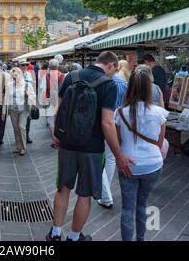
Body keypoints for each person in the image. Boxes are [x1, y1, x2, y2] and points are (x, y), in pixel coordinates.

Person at [47, 51, 133, 241]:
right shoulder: (108, 84)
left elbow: (59, 109)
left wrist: (57, 134)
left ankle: (55, 233)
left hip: (67, 144)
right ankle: (75, 237)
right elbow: (107, 123)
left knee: (63, 188)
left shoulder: (71, 77)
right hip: (92, 148)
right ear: (110, 65)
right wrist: (118, 155)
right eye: (114, 69)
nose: (113, 73)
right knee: (84, 193)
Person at [116, 68, 168, 241]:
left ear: (130, 87)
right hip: (153, 165)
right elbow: (159, 144)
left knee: (127, 209)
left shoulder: (120, 112)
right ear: (149, 88)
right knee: (143, 204)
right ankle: (141, 239)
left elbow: (119, 142)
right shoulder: (159, 113)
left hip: (128, 165)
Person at [97, 67, 128, 209]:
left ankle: (106, 195)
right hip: (117, 125)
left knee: (98, 158)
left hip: (102, 124)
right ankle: (106, 192)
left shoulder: (103, 83)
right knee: (110, 158)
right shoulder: (124, 84)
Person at [2, 67, 36, 156]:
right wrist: (4, 112)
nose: (15, 77)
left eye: (16, 75)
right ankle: (18, 146)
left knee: (21, 127)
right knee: (16, 128)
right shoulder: (9, 85)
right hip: (13, 109)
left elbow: (33, 97)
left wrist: (28, 95)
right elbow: (6, 98)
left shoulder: (27, 85)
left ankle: (23, 147)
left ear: (20, 75)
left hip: (23, 109)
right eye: (13, 76)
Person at [40, 59, 65, 148]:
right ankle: (61, 139)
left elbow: (43, 90)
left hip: (50, 101)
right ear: (58, 66)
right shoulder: (63, 76)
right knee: (61, 120)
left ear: (49, 67)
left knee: (51, 122)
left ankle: (55, 141)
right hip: (61, 101)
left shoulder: (46, 76)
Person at [18, 60, 34, 144]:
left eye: (26, 65)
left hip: (27, 100)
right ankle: (19, 138)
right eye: (22, 65)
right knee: (18, 122)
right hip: (18, 101)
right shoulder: (15, 74)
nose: (24, 66)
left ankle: (27, 135)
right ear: (19, 66)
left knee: (28, 118)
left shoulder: (29, 74)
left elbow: (31, 86)